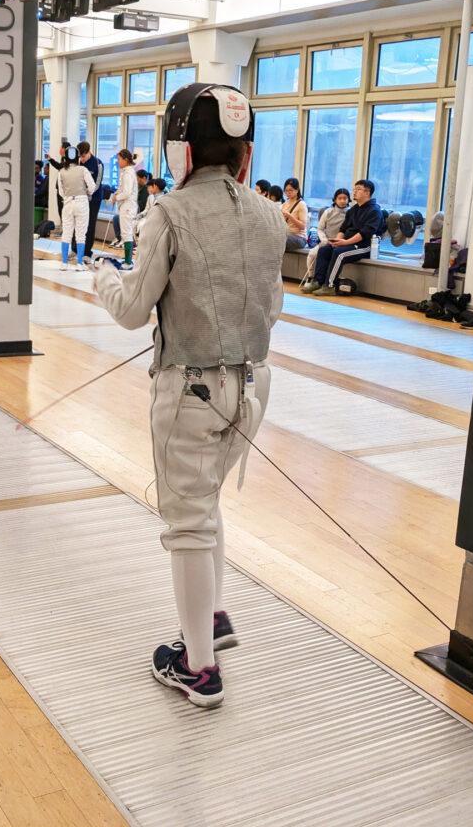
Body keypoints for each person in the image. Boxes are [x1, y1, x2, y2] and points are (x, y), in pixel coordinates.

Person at [94, 83, 286, 709]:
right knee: (205, 507)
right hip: (254, 387)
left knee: (187, 523)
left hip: (191, 391)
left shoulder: (169, 211)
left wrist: (102, 277)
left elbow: (130, 309)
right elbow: (272, 308)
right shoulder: (268, 214)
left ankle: (199, 669)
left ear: (180, 148)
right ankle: (215, 618)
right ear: (243, 153)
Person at [302, 179, 382, 296]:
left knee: (339, 253)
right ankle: (318, 281)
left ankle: (329, 286)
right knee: (324, 250)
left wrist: (344, 243)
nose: (354, 192)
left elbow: (364, 233)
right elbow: (343, 229)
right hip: (348, 243)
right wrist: (337, 241)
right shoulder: (353, 210)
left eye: (358, 189)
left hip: (365, 246)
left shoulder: (374, 211)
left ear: (367, 193)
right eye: (354, 189)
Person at [57, 144, 95, 271]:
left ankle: (64, 263)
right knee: (80, 234)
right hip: (81, 202)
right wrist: (87, 193)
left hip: (67, 203)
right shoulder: (83, 170)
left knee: (66, 233)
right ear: (77, 158)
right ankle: (79, 263)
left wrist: (68, 195)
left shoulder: (61, 172)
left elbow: (60, 191)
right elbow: (92, 186)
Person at [302, 187, 350, 286]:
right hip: (326, 241)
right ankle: (311, 277)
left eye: (345, 198)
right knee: (312, 254)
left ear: (348, 199)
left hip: (342, 243)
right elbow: (320, 229)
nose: (342, 201)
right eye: (339, 198)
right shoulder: (328, 212)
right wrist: (324, 240)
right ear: (335, 199)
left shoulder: (350, 213)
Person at [77, 141, 104, 262]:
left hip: (94, 199)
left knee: (90, 224)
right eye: (79, 157)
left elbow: (97, 184)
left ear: (89, 153)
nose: (81, 159)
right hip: (80, 197)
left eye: (83, 156)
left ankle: (87, 252)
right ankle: (76, 248)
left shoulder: (98, 164)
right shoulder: (78, 163)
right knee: (78, 223)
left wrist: (88, 193)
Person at [281, 177, 309, 251]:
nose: (288, 193)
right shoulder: (285, 204)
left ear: (297, 190)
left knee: (278, 239)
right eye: (286, 191)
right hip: (286, 234)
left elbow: (302, 226)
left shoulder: (301, 204)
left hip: (299, 237)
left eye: (291, 190)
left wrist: (290, 216)